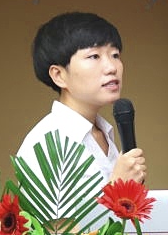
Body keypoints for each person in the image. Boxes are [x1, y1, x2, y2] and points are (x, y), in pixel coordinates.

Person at [16, 12, 147, 201]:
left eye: (115, 55)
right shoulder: (46, 143)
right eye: (94, 56)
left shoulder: (103, 133)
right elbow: (55, 221)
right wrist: (117, 187)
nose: (112, 67)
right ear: (59, 75)